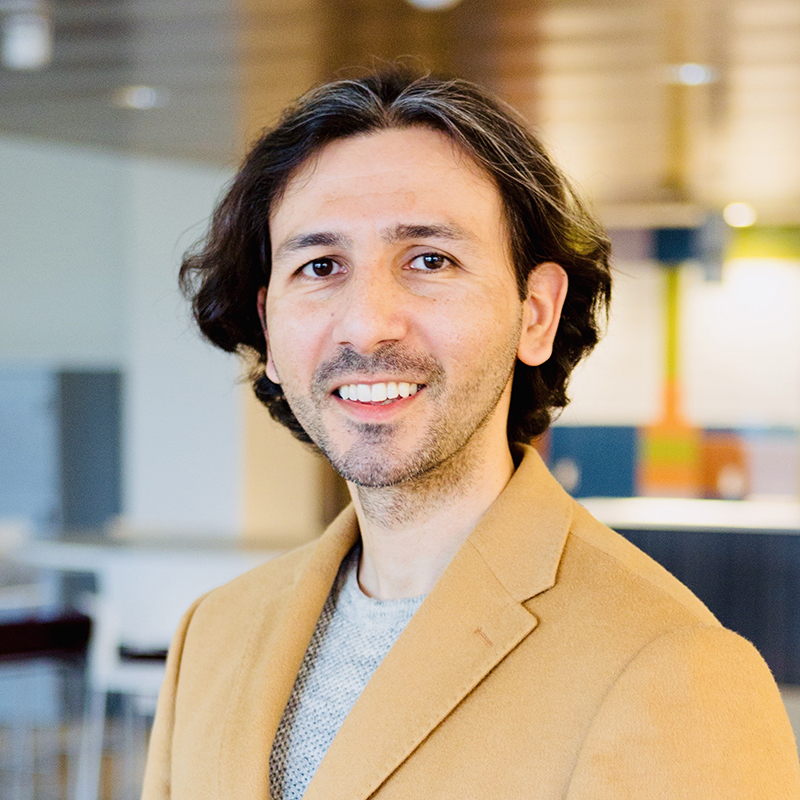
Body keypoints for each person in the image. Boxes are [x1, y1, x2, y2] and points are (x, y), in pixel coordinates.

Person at [141, 67, 800, 799]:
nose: (366, 322)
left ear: (536, 313)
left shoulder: (677, 671)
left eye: (430, 260)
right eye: (320, 266)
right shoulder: (213, 634)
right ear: (269, 321)